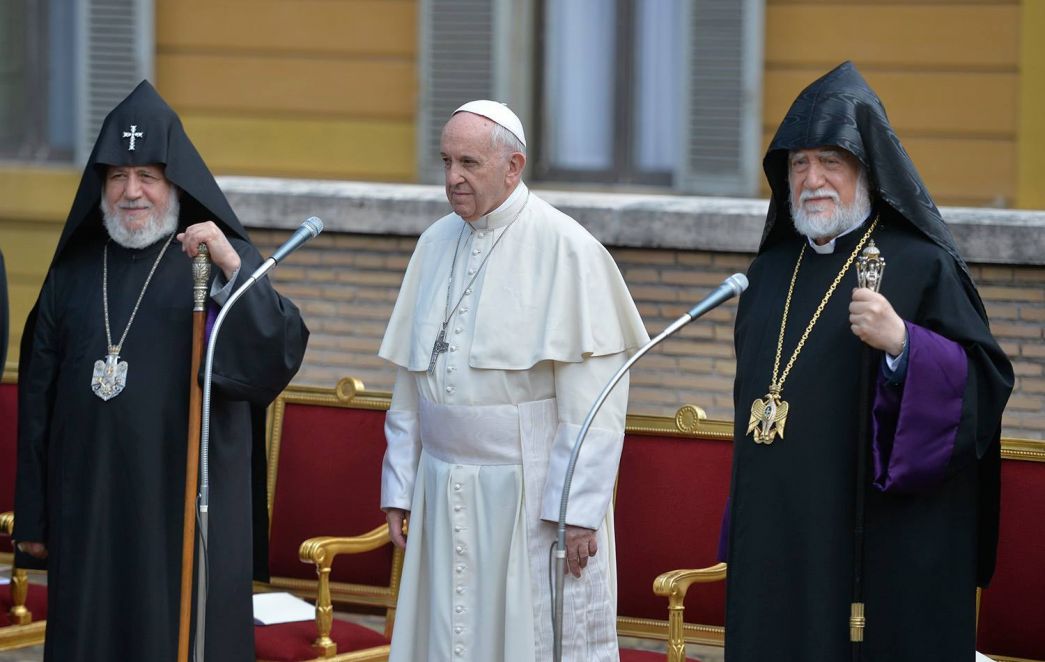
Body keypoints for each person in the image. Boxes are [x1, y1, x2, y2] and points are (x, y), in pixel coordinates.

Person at [726, 61, 1014, 661]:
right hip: (779, 527)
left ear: (868, 167)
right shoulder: (767, 272)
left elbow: (984, 384)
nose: (813, 179)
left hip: (873, 541)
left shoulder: (920, 265)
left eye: (831, 161)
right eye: (799, 163)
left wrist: (905, 346)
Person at [13, 81, 309, 661]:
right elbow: (37, 395)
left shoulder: (212, 260)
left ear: (175, 182)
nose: (131, 192)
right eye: (118, 177)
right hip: (89, 509)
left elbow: (274, 356)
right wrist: (35, 516)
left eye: (147, 175)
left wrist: (231, 264)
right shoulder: (72, 272)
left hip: (182, 510)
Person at [379, 100, 648, 661]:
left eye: (469, 163)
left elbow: (593, 403)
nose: (453, 178)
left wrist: (579, 512)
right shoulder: (433, 244)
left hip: (525, 495)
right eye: (446, 161)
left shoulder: (566, 247)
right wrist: (399, 486)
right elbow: (410, 387)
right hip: (438, 484)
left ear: (513, 165)